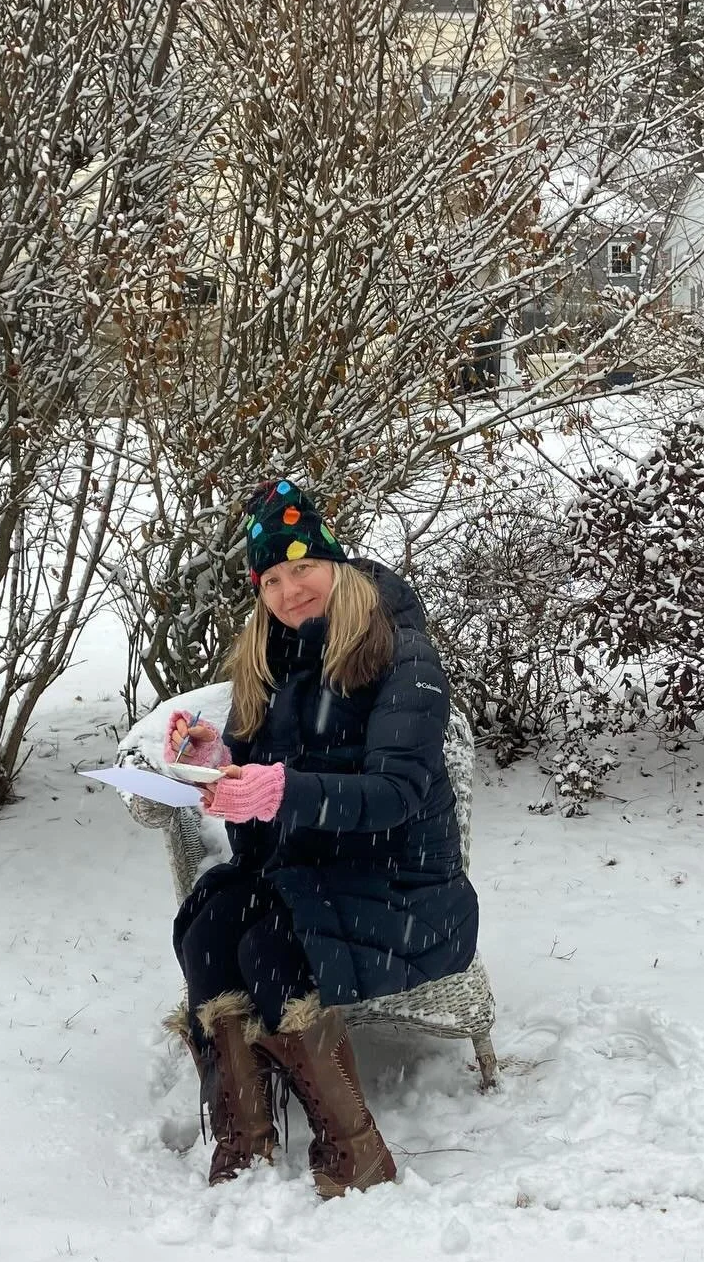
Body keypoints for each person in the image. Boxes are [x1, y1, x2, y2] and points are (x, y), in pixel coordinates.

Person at [164, 478, 478, 1198]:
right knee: (210, 927)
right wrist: (218, 764)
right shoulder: (269, 660)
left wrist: (281, 790)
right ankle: (245, 1134)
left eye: (302, 567)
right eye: (271, 579)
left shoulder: (400, 651)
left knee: (269, 948)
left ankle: (356, 1149)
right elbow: (259, 793)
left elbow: (396, 793)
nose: (289, 590)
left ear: (335, 563)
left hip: (401, 884)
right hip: (310, 868)